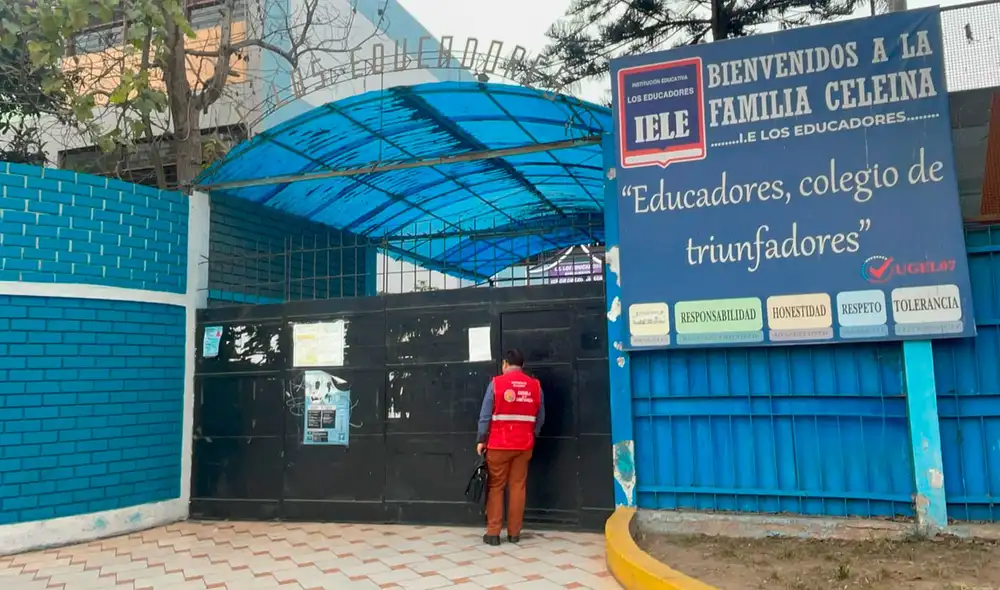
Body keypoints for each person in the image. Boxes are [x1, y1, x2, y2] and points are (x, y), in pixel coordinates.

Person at [476, 349, 545, 546]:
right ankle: (514, 533)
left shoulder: (496, 384)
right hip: (524, 445)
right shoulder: (535, 386)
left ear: (505, 363)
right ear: (521, 365)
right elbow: (540, 417)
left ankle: (493, 533)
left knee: (496, 486)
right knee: (518, 487)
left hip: (498, 444)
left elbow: (485, 414)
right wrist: (533, 434)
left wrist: (481, 439)